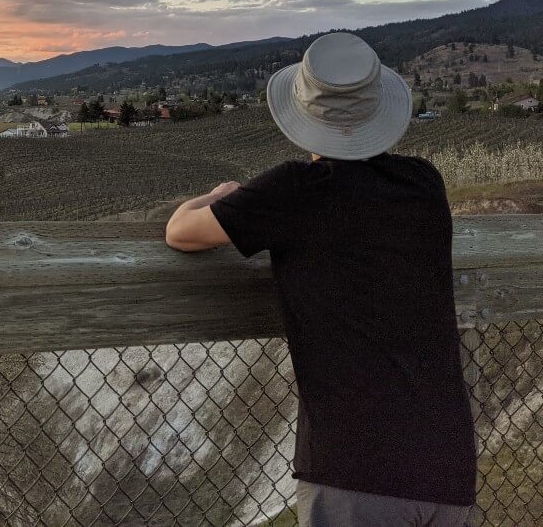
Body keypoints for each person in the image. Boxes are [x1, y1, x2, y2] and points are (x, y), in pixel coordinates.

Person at [165, 32, 476, 526]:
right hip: (448, 461)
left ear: (303, 116)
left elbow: (180, 233)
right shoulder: (424, 183)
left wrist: (216, 194)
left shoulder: (292, 192)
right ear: (381, 112)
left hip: (356, 468)